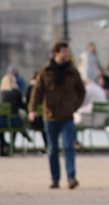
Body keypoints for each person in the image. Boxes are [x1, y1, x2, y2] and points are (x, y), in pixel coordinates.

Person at [28, 40, 85, 190]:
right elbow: (37, 91)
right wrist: (32, 109)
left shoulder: (72, 71)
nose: (68, 54)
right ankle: (55, 179)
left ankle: (71, 177)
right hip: (50, 116)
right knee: (52, 149)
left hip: (67, 116)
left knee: (68, 147)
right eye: (65, 52)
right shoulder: (45, 71)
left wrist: (74, 106)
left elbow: (81, 91)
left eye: (68, 51)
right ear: (56, 53)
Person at [0, 73, 29, 156]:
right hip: (13, 120)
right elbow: (23, 106)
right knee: (16, 124)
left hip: (1, 121)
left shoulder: (1, 93)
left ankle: (3, 144)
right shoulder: (17, 92)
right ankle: (12, 145)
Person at [25, 71, 48, 152]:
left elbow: (26, 102)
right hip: (43, 118)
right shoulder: (43, 88)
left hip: (32, 119)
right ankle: (47, 145)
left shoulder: (29, 88)